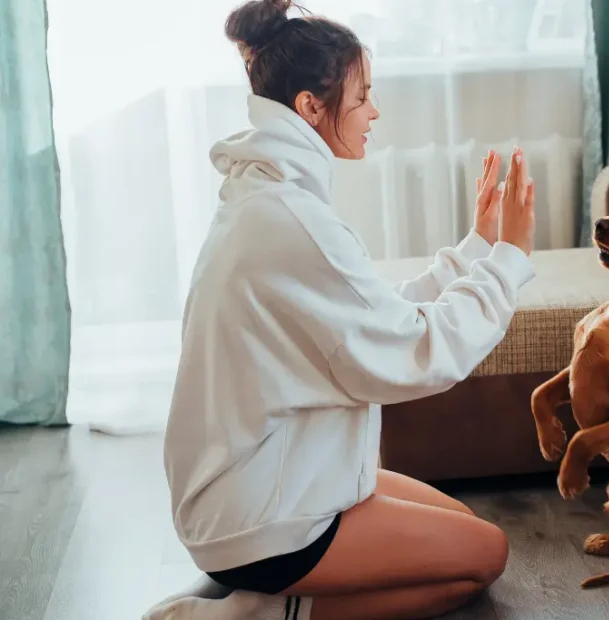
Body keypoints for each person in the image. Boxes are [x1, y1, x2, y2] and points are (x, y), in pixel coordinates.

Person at [155, 1, 536, 619]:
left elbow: (372, 316)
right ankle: (254, 612)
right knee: (484, 554)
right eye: (363, 97)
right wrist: (511, 259)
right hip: (258, 517)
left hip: (269, 481)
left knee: (459, 527)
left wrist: (478, 248)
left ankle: (252, 591)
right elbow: (418, 354)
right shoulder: (291, 221)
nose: (375, 111)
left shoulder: (273, 200)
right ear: (309, 106)